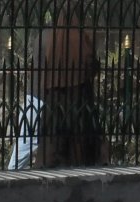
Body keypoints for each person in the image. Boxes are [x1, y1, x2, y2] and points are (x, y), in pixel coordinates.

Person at [35, 7, 102, 167]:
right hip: (78, 95)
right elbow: (90, 63)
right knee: (78, 142)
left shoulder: (53, 37)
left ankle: (48, 167)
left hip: (55, 96)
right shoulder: (80, 37)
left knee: (53, 141)